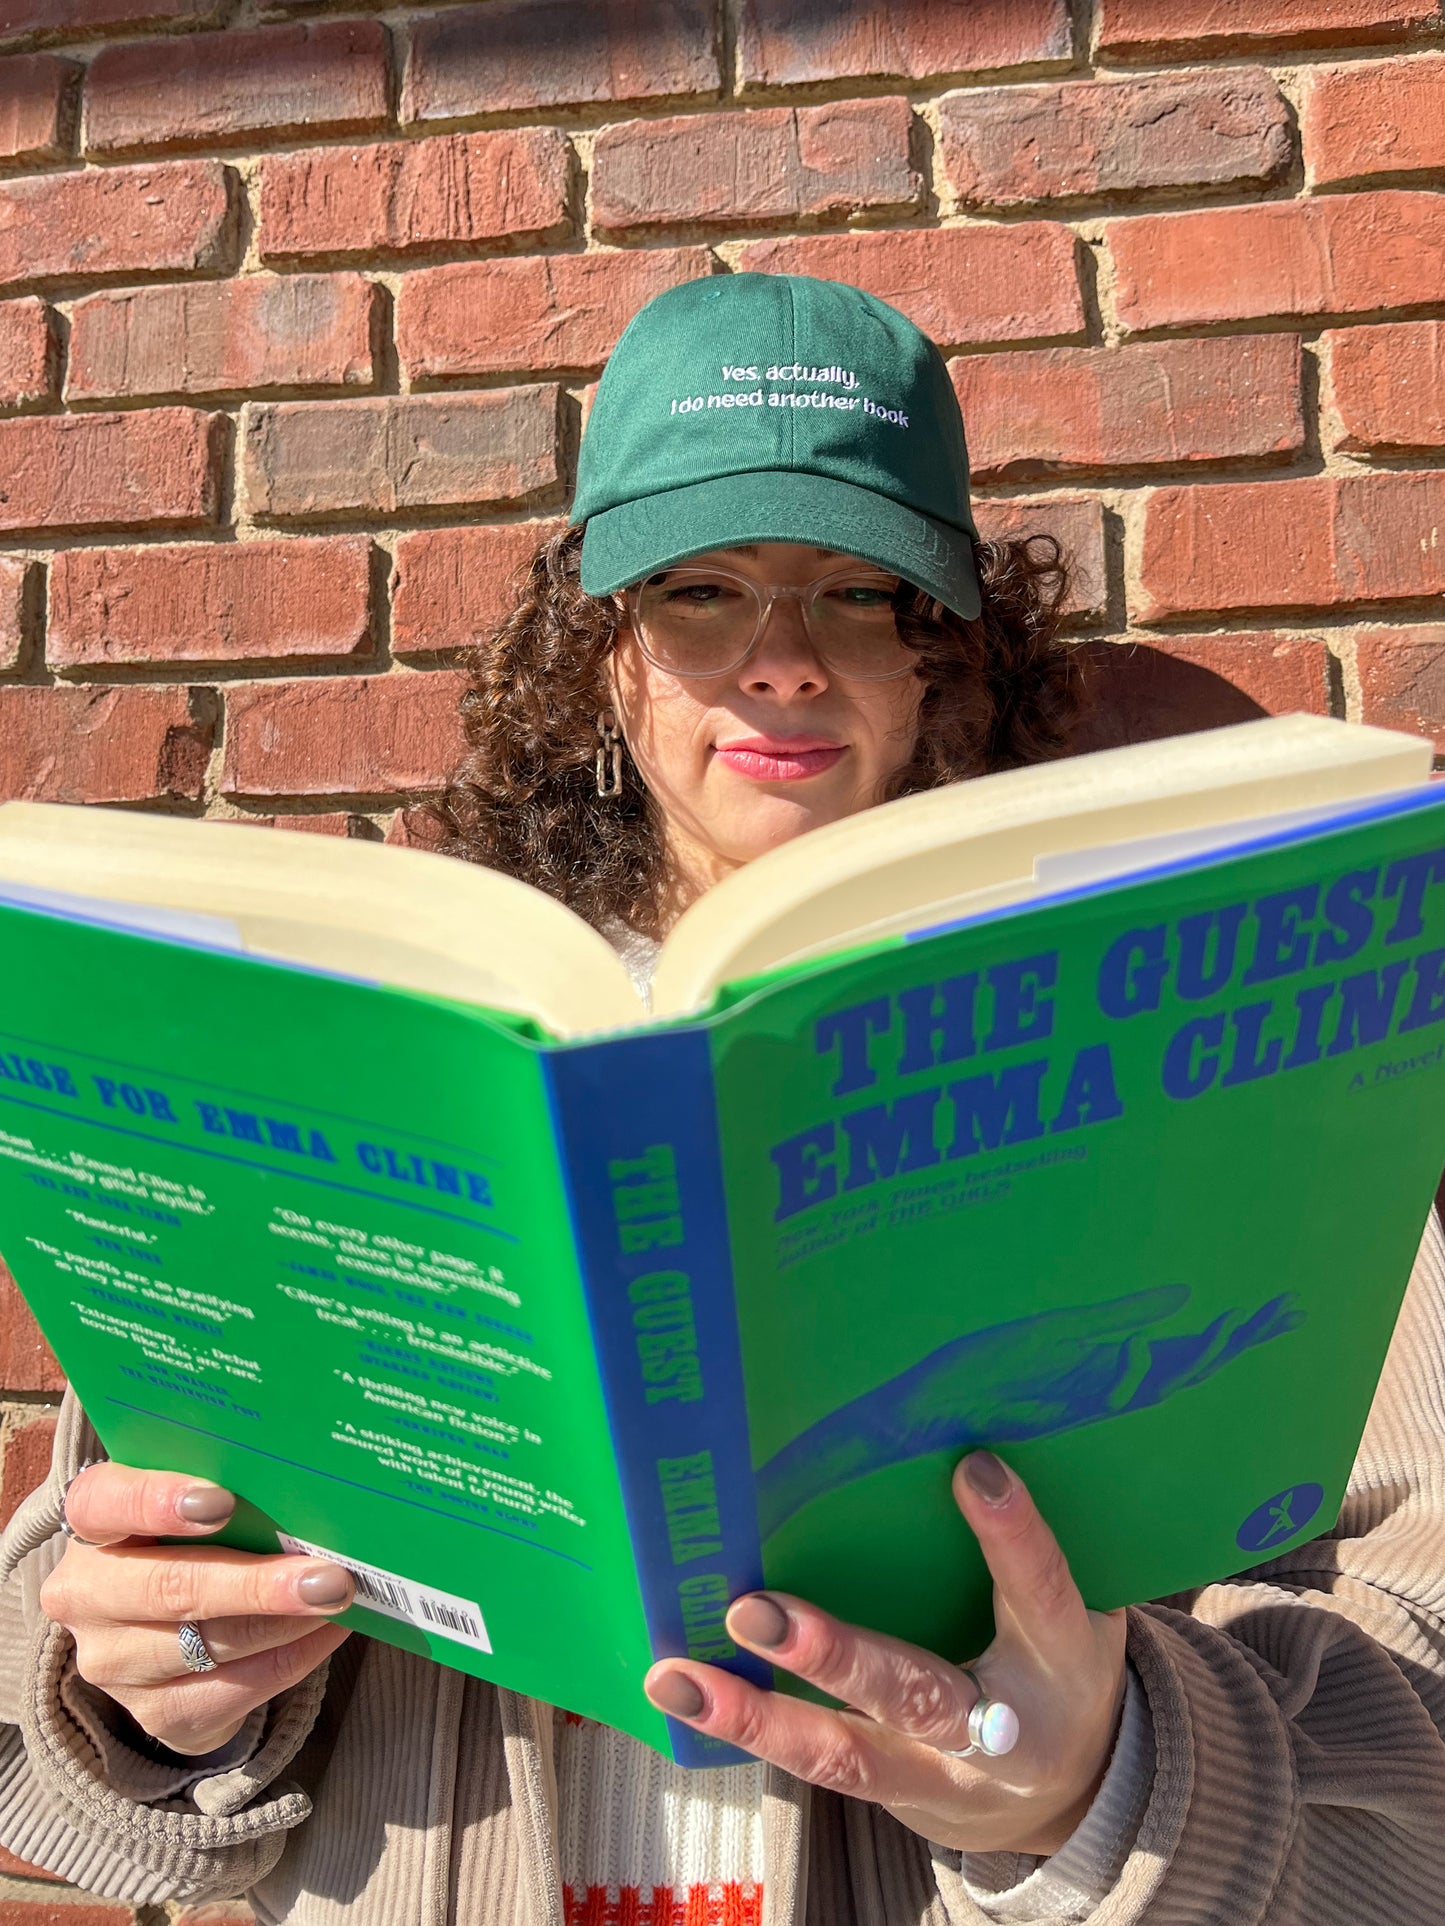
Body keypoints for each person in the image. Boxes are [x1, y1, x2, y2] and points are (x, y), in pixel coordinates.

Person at [2, 274, 1442, 1926]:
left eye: (858, 592)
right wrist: (148, 1686)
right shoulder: (383, 1042)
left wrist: (1107, 1779)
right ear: (602, 656)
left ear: (943, 661)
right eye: (696, 592)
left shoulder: (1224, 1051)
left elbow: (1424, 1652)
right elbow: (78, 1645)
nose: (780, 663)